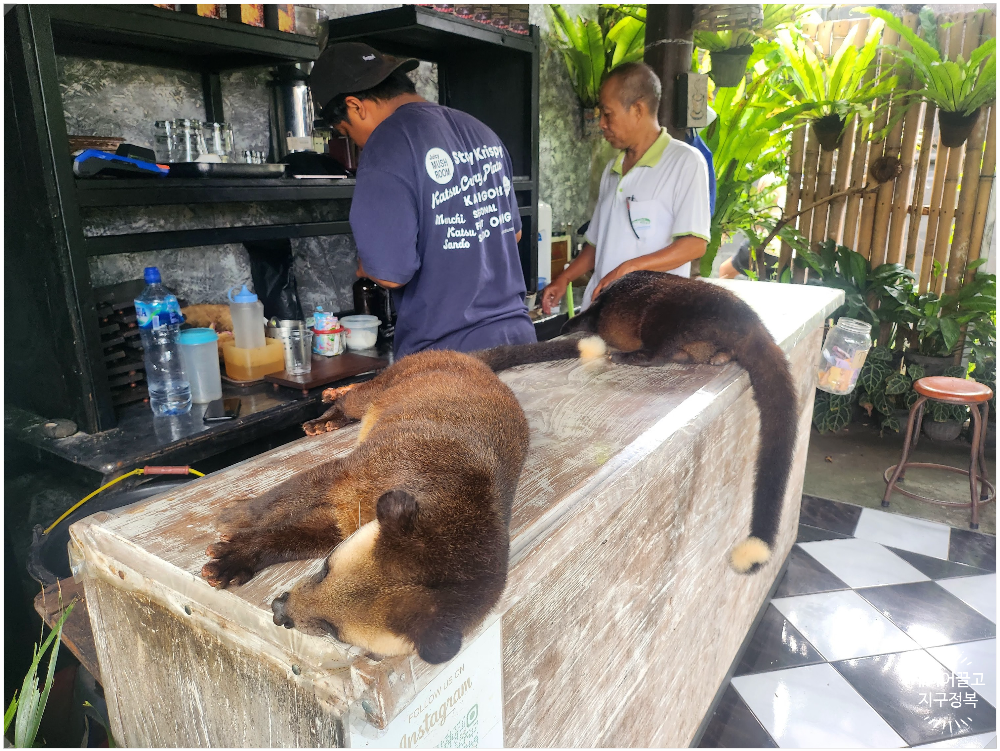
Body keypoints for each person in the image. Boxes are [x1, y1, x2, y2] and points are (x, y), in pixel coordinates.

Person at [309, 42, 536, 358]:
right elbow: (513, 233)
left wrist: (366, 267)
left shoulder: (385, 144)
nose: (355, 143)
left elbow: (391, 273)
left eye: (346, 132)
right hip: (519, 340)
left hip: (450, 362)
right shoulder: (481, 131)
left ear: (356, 106)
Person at [541, 62, 711, 314]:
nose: (601, 123)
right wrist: (564, 277)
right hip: (599, 312)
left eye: (608, 114)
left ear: (638, 110)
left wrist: (628, 269)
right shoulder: (613, 168)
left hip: (648, 320)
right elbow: (597, 243)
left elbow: (694, 245)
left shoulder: (685, 162)